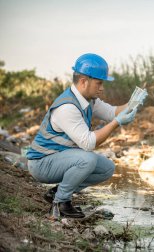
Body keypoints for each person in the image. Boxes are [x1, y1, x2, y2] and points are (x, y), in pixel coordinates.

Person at [26, 53, 146, 218]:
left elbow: (111, 112)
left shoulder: (87, 100)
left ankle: (57, 193)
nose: (102, 88)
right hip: (42, 164)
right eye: (99, 83)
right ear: (83, 81)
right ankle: (61, 203)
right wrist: (117, 122)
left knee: (106, 168)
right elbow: (89, 143)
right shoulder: (67, 107)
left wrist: (132, 104)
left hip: (58, 158)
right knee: (87, 159)